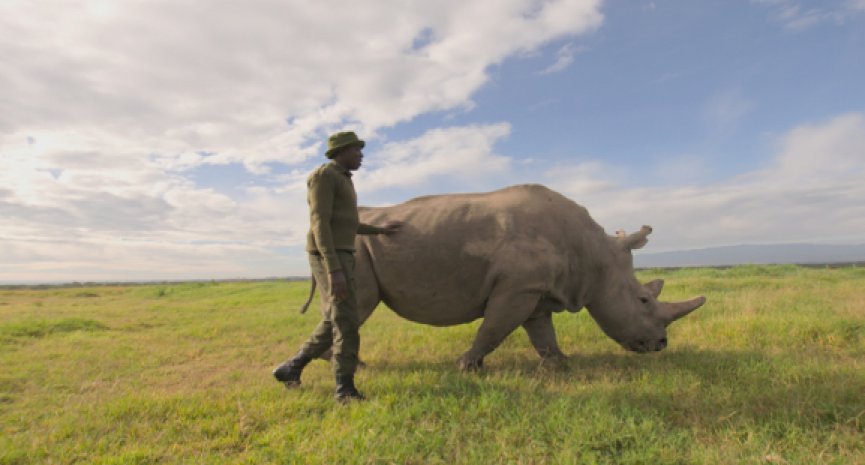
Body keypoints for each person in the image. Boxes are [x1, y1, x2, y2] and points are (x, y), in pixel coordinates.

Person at [273, 131, 401, 402]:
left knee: (338, 317)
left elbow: (347, 223)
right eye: (357, 150)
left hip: (343, 252)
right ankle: (344, 389)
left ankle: (291, 367)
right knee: (346, 322)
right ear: (341, 152)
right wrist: (333, 269)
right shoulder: (324, 177)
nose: (361, 155)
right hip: (328, 254)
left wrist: (379, 230)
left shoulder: (344, 179)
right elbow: (320, 223)